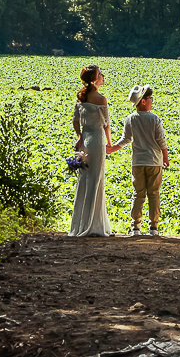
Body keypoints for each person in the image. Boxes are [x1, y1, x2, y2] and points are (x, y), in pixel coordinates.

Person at [109, 84, 170, 235]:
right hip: (154, 161)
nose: (151, 101)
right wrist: (165, 157)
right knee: (154, 194)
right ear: (143, 101)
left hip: (138, 162)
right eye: (150, 98)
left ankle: (135, 227)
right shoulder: (155, 119)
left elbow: (125, 139)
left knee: (138, 194)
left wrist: (111, 148)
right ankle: (153, 227)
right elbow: (161, 140)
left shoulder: (130, 119)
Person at [69, 64, 115, 237]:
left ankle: (81, 224)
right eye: (100, 74)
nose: (103, 76)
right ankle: (95, 225)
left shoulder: (81, 98)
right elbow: (106, 124)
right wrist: (109, 142)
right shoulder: (101, 99)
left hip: (85, 141)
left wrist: (79, 136)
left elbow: (75, 120)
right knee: (96, 179)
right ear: (95, 79)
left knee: (84, 179)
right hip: (96, 140)